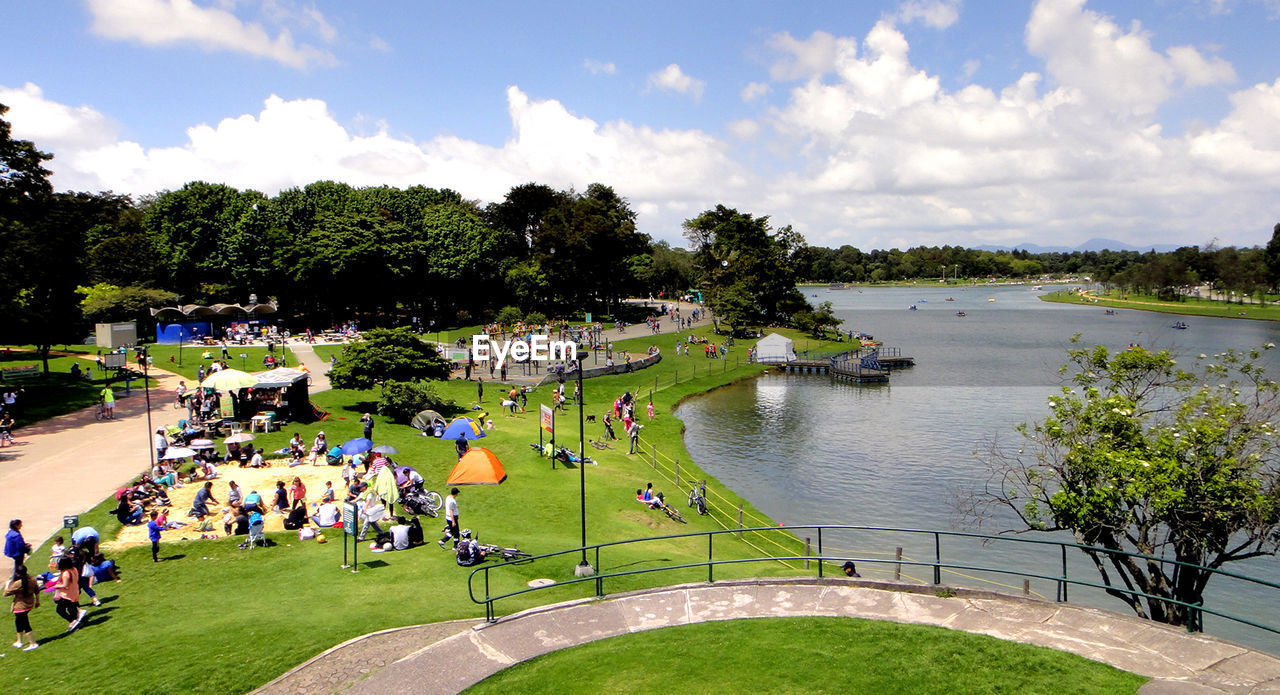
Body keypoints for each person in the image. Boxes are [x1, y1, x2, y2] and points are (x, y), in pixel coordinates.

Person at [5, 563, 40, 650]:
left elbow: (6, 593)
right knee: (18, 622)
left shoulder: (18, 583)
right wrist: (37, 601)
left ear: (17, 574)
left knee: (25, 624)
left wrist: (7, 584)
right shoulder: (32, 580)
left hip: (20, 607)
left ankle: (33, 643)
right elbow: (37, 590)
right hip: (29, 604)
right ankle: (19, 641)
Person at [53, 556, 85, 631]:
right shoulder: (74, 569)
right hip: (74, 591)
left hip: (67, 595)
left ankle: (73, 621)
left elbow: (65, 585)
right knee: (72, 609)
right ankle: (76, 625)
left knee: (60, 610)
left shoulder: (65, 574)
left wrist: (55, 586)